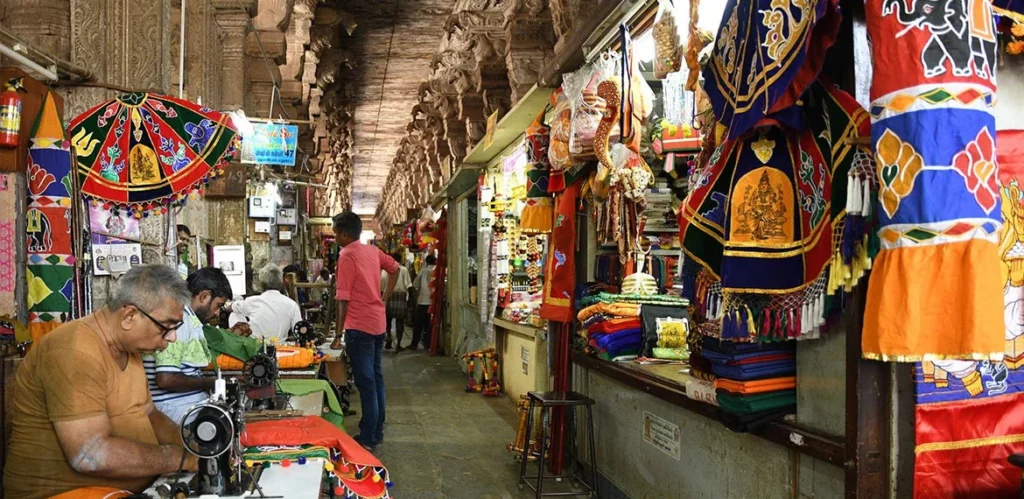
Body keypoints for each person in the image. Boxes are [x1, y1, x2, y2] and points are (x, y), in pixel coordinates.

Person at [4, 264, 199, 499]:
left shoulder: (130, 351)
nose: (172, 337)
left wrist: (193, 446)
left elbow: (149, 413)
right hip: (63, 493)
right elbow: (90, 454)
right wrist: (177, 458)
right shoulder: (74, 349)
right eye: (166, 327)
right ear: (129, 316)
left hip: (126, 490)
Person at [330, 211, 399, 451]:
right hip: (378, 323)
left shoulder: (347, 255)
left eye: (336, 233)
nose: (334, 237)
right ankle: (377, 429)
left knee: (366, 381)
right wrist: (384, 298)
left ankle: (368, 435)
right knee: (376, 378)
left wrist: (338, 336)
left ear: (345, 234)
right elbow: (394, 269)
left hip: (359, 327)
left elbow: (342, 299)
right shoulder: (373, 251)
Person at [143, 267, 232, 424]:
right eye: (218, 305)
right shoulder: (180, 320)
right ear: (204, 296)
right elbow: (166, 379)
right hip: (175, 411)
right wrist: (210, 383)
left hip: (185, 405)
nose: (218, 313)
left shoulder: (188, 318)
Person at [226, 263, 302, 341]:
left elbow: (231, 307)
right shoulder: (292, 305)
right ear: (281, 282)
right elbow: (299, 329)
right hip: (279, 345)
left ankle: (237, 341)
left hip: (255, 345)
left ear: (262, 284)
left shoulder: (252, 301)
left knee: (234, 313)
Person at [382, 254, 413, 351]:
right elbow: (409, 286)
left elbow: (381, 285)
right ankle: (398, 344)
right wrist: (410, 299)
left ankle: (389, 338)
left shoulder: (384, 270)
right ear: (400, 259)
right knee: (400, 321)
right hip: (400, 296)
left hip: (388, 295)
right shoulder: (403, 269)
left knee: (387, 320)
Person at [411, 253, 437, 351]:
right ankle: (429, 344)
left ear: (426, 262)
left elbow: (415, 284)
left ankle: (414, 344)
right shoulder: (437, 271)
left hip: (423, 302)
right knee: (430, 325)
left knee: (418, 324)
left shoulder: (423, 271)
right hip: (434, 303)